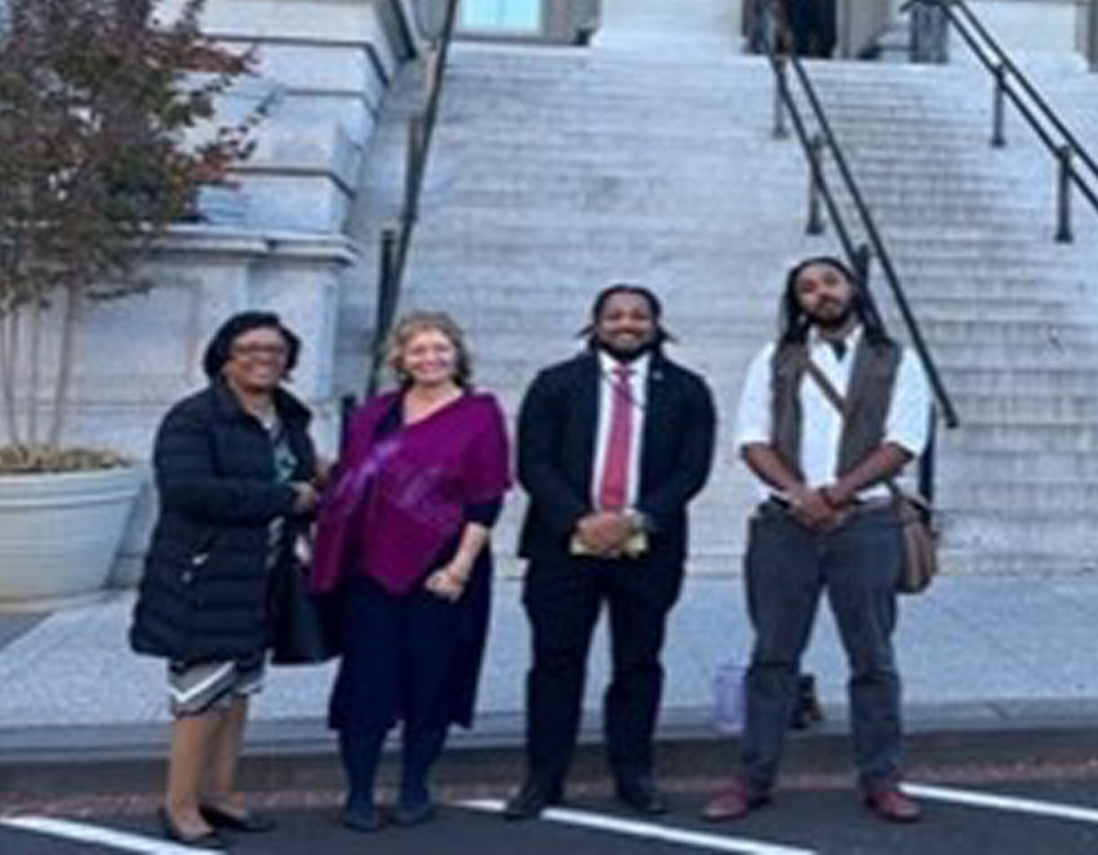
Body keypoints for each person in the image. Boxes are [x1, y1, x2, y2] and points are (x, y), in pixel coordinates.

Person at [702, 257, 931, 827]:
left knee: (873, 658)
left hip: (867, 524)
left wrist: (835, 495)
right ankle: (753, 778)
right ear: (796, 301)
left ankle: (882, 778)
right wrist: (799, 494)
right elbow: (752, 439)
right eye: (806, 288)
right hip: (785, 527)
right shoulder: (774, 359)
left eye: (829, 281)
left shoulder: (897, 359)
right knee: (773, 656)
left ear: (852, 288)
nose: (820, 293)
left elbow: (903, 441)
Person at [504, 285, 717, 821]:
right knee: (555, 662)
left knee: (638, 663)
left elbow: (691, 470)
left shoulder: (688, 390)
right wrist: (582, 520)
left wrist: (633, 521)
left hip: (649, 549)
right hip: (563, 547)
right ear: (594, 323)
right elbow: (533, 462)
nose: (627, 324)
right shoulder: (555, 384)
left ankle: (633, 774)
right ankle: (544, 777)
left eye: (639, 316)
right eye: (615, 315)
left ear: (656, 323)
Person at [129, 311, 321, 849]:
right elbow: (189, 490)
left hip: (264, 575)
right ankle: (181, 804)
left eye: (275, 351)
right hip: (206, 573)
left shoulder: (288, 416)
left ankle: (220, 792)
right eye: (249, 350)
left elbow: (296, 476)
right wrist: (285, 498)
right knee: (199, 695)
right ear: (224, 357)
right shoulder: (194, 418)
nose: (263, 359)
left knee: (238, 690)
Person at [311, 311, 510, 831]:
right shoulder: (374, 415)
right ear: (399, 359)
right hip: (371, 571)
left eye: (441, 349)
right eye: (419, 350)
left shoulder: (480, 415)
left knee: (432, 679)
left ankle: (414, 786)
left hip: (444, 572)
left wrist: (460, 567)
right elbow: (351, 487)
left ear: (457, 354)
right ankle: (358, 791)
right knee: (366, 682)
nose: (431, 358)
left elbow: (486, 499)